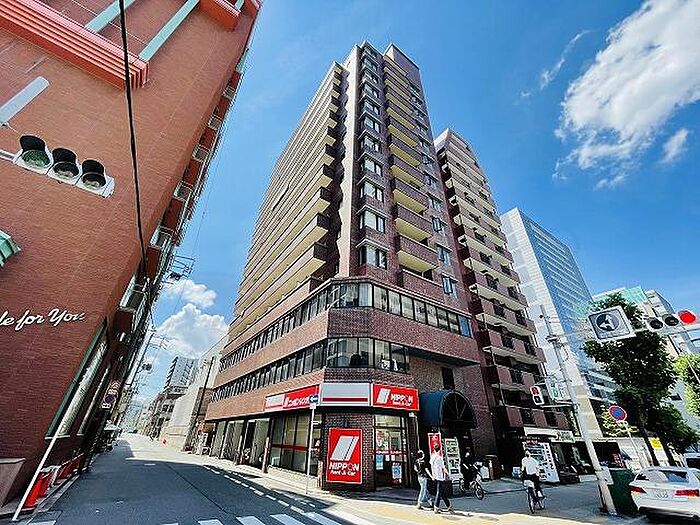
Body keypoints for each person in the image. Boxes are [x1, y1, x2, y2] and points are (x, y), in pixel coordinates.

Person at [430, 444, 452, 513]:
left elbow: (431, 467)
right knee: (439, 492)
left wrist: (432, 475)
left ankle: (448, 505)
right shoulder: (439, 458)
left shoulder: (432, 457)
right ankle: (436, 507)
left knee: (442, 492)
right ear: (439, 450)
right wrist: (448, 474)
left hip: (435, 477)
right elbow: (443, 468)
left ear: (434, 449)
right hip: (440, 477)